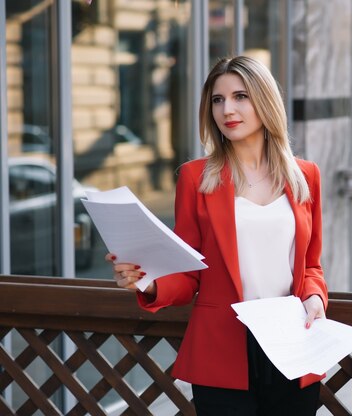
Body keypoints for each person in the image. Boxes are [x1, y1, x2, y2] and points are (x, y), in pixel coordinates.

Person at [106, 55, 328, 416]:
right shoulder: (196, 179)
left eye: (240, 96)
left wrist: (315, 298)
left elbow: (312, 266)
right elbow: (189, 272)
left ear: (265, 101)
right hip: (222, 352)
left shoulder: (306, 176)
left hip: (293, 345)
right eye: (217, 99)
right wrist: (146, 282)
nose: (227, 109)